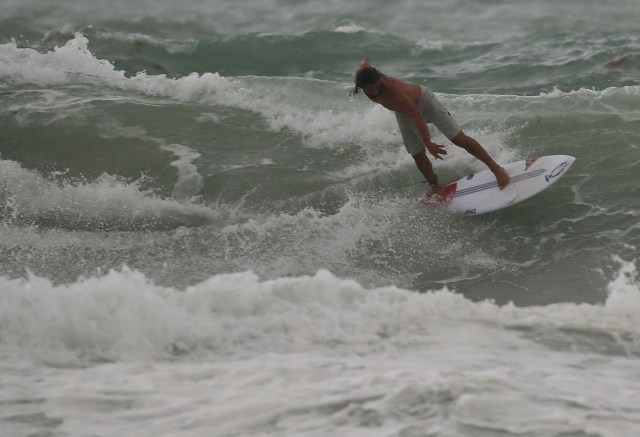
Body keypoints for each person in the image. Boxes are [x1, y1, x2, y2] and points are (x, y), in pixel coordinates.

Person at [352, 58, 509, 192]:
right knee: (417, 155)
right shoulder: (363, 76)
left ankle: (496, 169)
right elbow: (366, 62)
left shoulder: (392, 89)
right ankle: (436, 188)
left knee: (458, 138)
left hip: (424, 103)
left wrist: (428, 141)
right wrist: (366, 61)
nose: (375, 90)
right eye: (371, 88)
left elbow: (416, 114)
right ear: (362, 85)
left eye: (378, 85)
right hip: (403, 111)